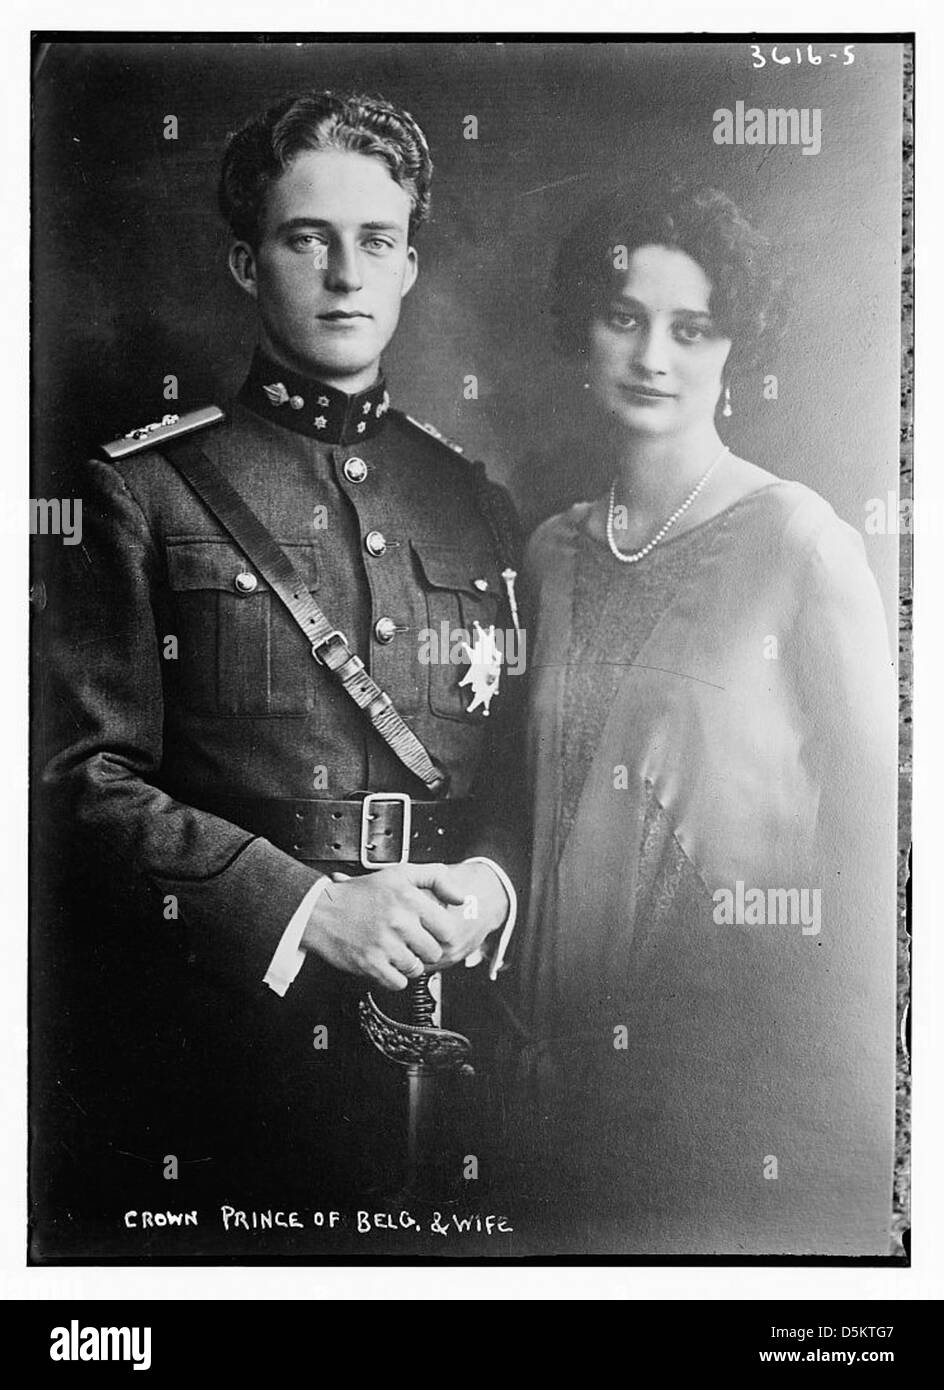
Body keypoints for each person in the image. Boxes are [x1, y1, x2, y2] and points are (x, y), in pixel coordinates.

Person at [37, 90, 523, 1250]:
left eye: (377, 241)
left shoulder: (478, 505)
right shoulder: (143, 489)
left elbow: (520, 764)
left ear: (410, 264)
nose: (346, 273)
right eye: (309, 238)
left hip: (463, 1055)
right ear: (247, 262)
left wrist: (494, 885)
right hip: (221, 1057)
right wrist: (307, 909)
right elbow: (76, 785)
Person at [509, 182, 898, 1255]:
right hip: (543, 1096)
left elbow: (882, 866)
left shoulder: (800, 542)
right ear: (582, 328)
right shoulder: (549, 552)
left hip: (729, 1093)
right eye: (624, 317)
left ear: (735, 349)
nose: (652, 355)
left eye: (692, 329)